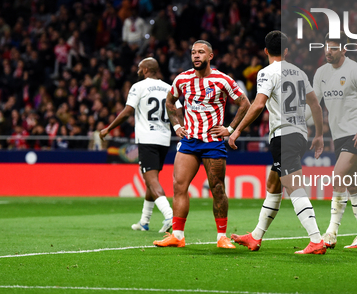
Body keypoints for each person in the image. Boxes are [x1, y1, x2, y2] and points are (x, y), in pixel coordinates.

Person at [228, 31, 327, 255]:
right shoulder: (300, 72)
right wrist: (319, 135)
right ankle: (255, 236)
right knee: (274, 184)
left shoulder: (266, 72)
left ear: (265, 51)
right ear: (286, 51)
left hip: (284, 135)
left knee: (294, 187)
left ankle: (316, 240)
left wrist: (237, 130)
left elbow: (257, 105)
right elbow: (316, 106)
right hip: (300, 134)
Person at [154, 40, 250, 249]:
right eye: (193, 52)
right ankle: (177, 236)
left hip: (213, 143)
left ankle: (221, 237)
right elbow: (169, 102)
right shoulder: (182, 79)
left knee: (217, 188)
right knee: (179, 186)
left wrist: (230, 129)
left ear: (210, 56)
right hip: (189, 141)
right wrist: (177, 127)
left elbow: (245, 103)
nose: (196, 56)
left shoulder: (222, 80)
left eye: (201, 52)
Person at [311, 36, 357, 249]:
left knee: (339, 173)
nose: (328, 52)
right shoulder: (321, 73)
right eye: (326, 48)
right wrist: (317, 132)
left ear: (344, 50)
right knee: (352, 181)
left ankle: (331, 232)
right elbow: (314, 106)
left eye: (333, 48)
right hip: (338, 135)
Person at [100, 58, 174, 233]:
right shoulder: (169, 88)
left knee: (150, 179)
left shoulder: (138, 86)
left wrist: (108, 128)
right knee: (151, 180)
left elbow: (127, 112)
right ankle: (144, 221)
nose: (138, 71)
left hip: (147, 138)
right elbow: (176, 111)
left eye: (140, 68)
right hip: (164, 138)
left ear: (147, 70)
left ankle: (170, 215)